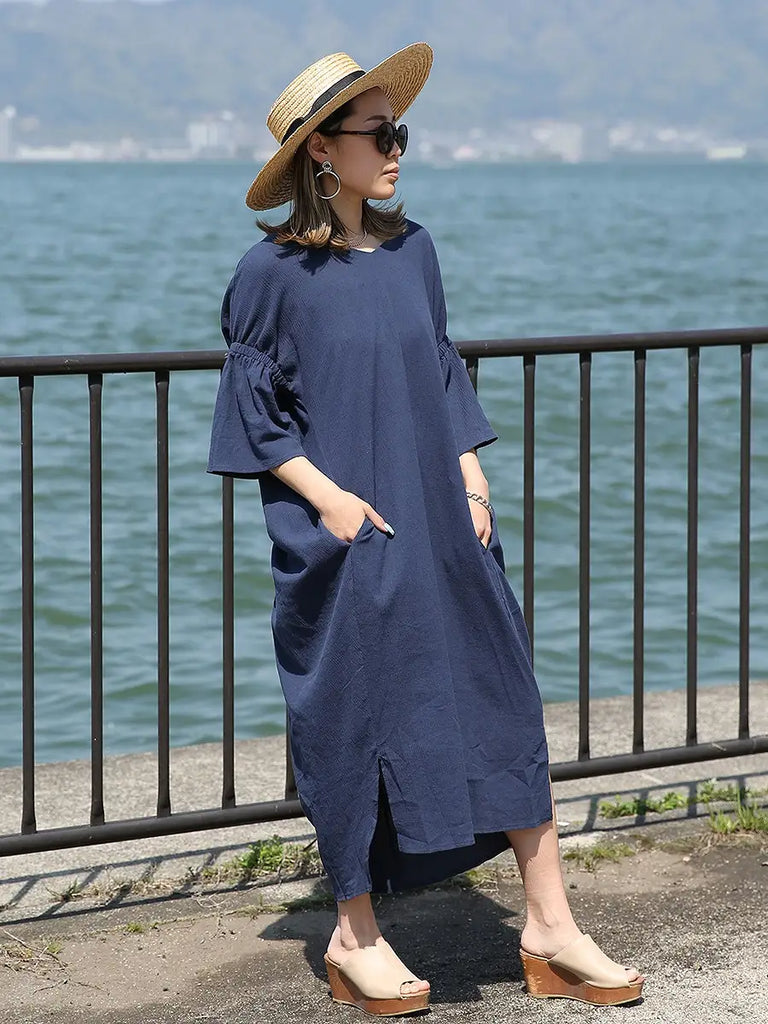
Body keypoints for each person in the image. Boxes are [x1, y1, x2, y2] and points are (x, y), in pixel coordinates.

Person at [206, 42, 645, 1017]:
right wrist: (331, 502)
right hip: (346, 539)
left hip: (447, 521)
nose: (398, 148)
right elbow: (253, 414)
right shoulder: (272, 273)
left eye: (400, 131)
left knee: (502, 696)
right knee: (354, 721)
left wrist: (473, 477)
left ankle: (551, 924)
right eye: (380, 133)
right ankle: (354, 935)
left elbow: (441, 371)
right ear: (323, 150)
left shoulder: (415, 252)